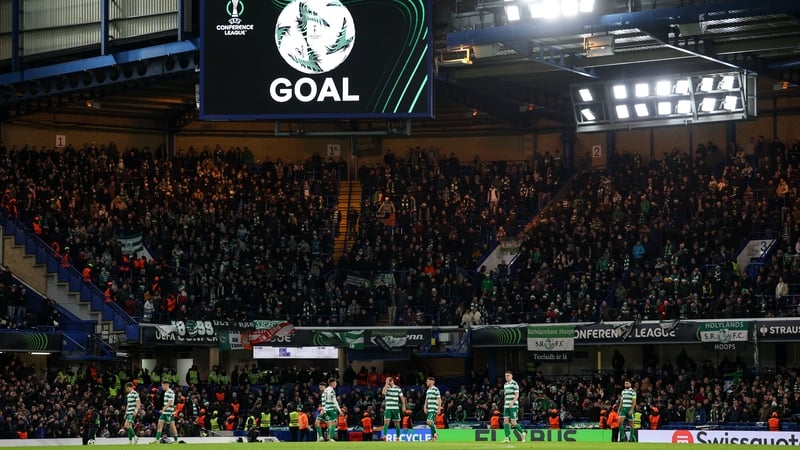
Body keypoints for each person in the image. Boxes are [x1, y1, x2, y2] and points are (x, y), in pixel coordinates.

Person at [502, 371, 526, 443]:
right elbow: (505, 395)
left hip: (513, 405)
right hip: (506, 405)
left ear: (511, 376)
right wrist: (505, 403)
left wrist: (512, 402)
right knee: (505, 421)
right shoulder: (505, 384)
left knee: (513, 423)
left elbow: (517, 395)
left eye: (508, 375)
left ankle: (523, 433)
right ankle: (507, 438)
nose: (507, 377)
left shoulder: (515, 384)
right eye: (506, 376)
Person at [382, 375, 406, 440]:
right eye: (386, 381)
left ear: (391, 381)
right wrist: (386, 385)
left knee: (397, 423)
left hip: (396, 408)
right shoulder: (386, 387)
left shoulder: (398, 388)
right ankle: (385, 437)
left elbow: (402, 398)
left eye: (388, 381)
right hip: (388, 408)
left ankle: (398, 438)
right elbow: (383, 393)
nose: (387, 382)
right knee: (386, 422)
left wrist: (403, 406)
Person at [423, 377, 441, 441]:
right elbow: (426, 400)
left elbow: (439, 399)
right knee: (431, 423)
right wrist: (425, 407)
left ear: (431, 382)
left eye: (427, 381)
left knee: (429, 421)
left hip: (434, 408)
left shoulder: (436, 389)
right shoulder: (428, 390)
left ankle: (436, 433)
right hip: (429, 408)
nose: (426, 382)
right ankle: (433, 438)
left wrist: (439, 408)